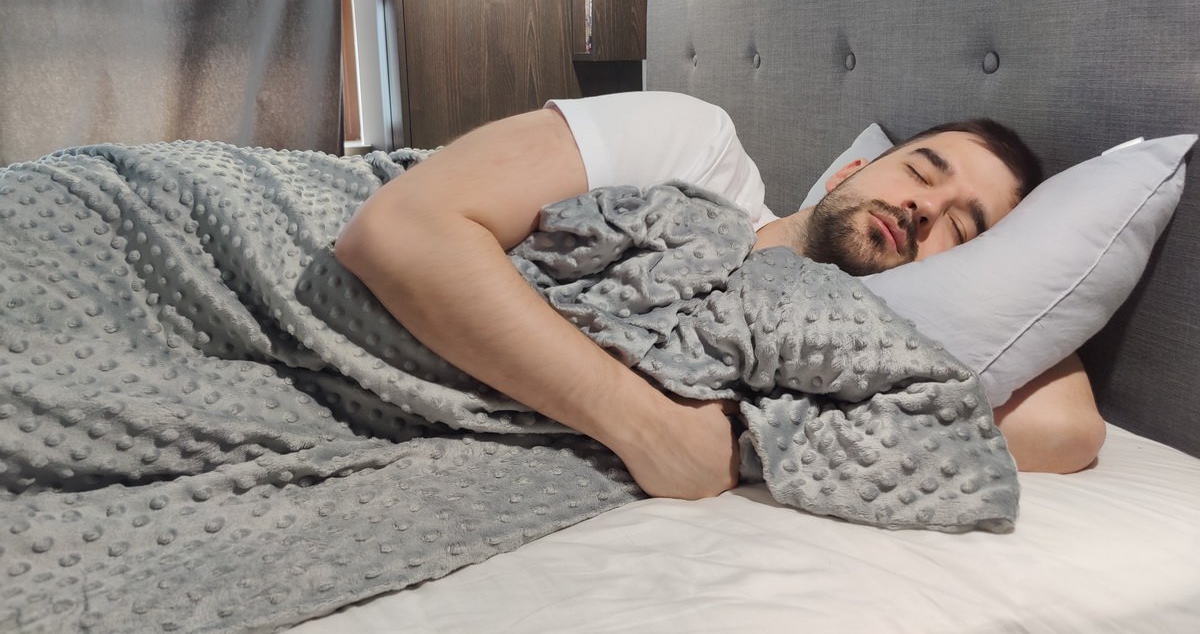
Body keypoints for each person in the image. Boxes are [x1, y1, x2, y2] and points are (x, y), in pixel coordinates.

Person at [334, 92, 1106, 500]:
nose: (922, 208)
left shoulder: (844, 356)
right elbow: (400, 227)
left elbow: (1068, 432)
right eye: (921, 171)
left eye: (962, 228)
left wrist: (1015, 269)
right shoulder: (702, 149)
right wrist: (644, 425)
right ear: (849, 171)